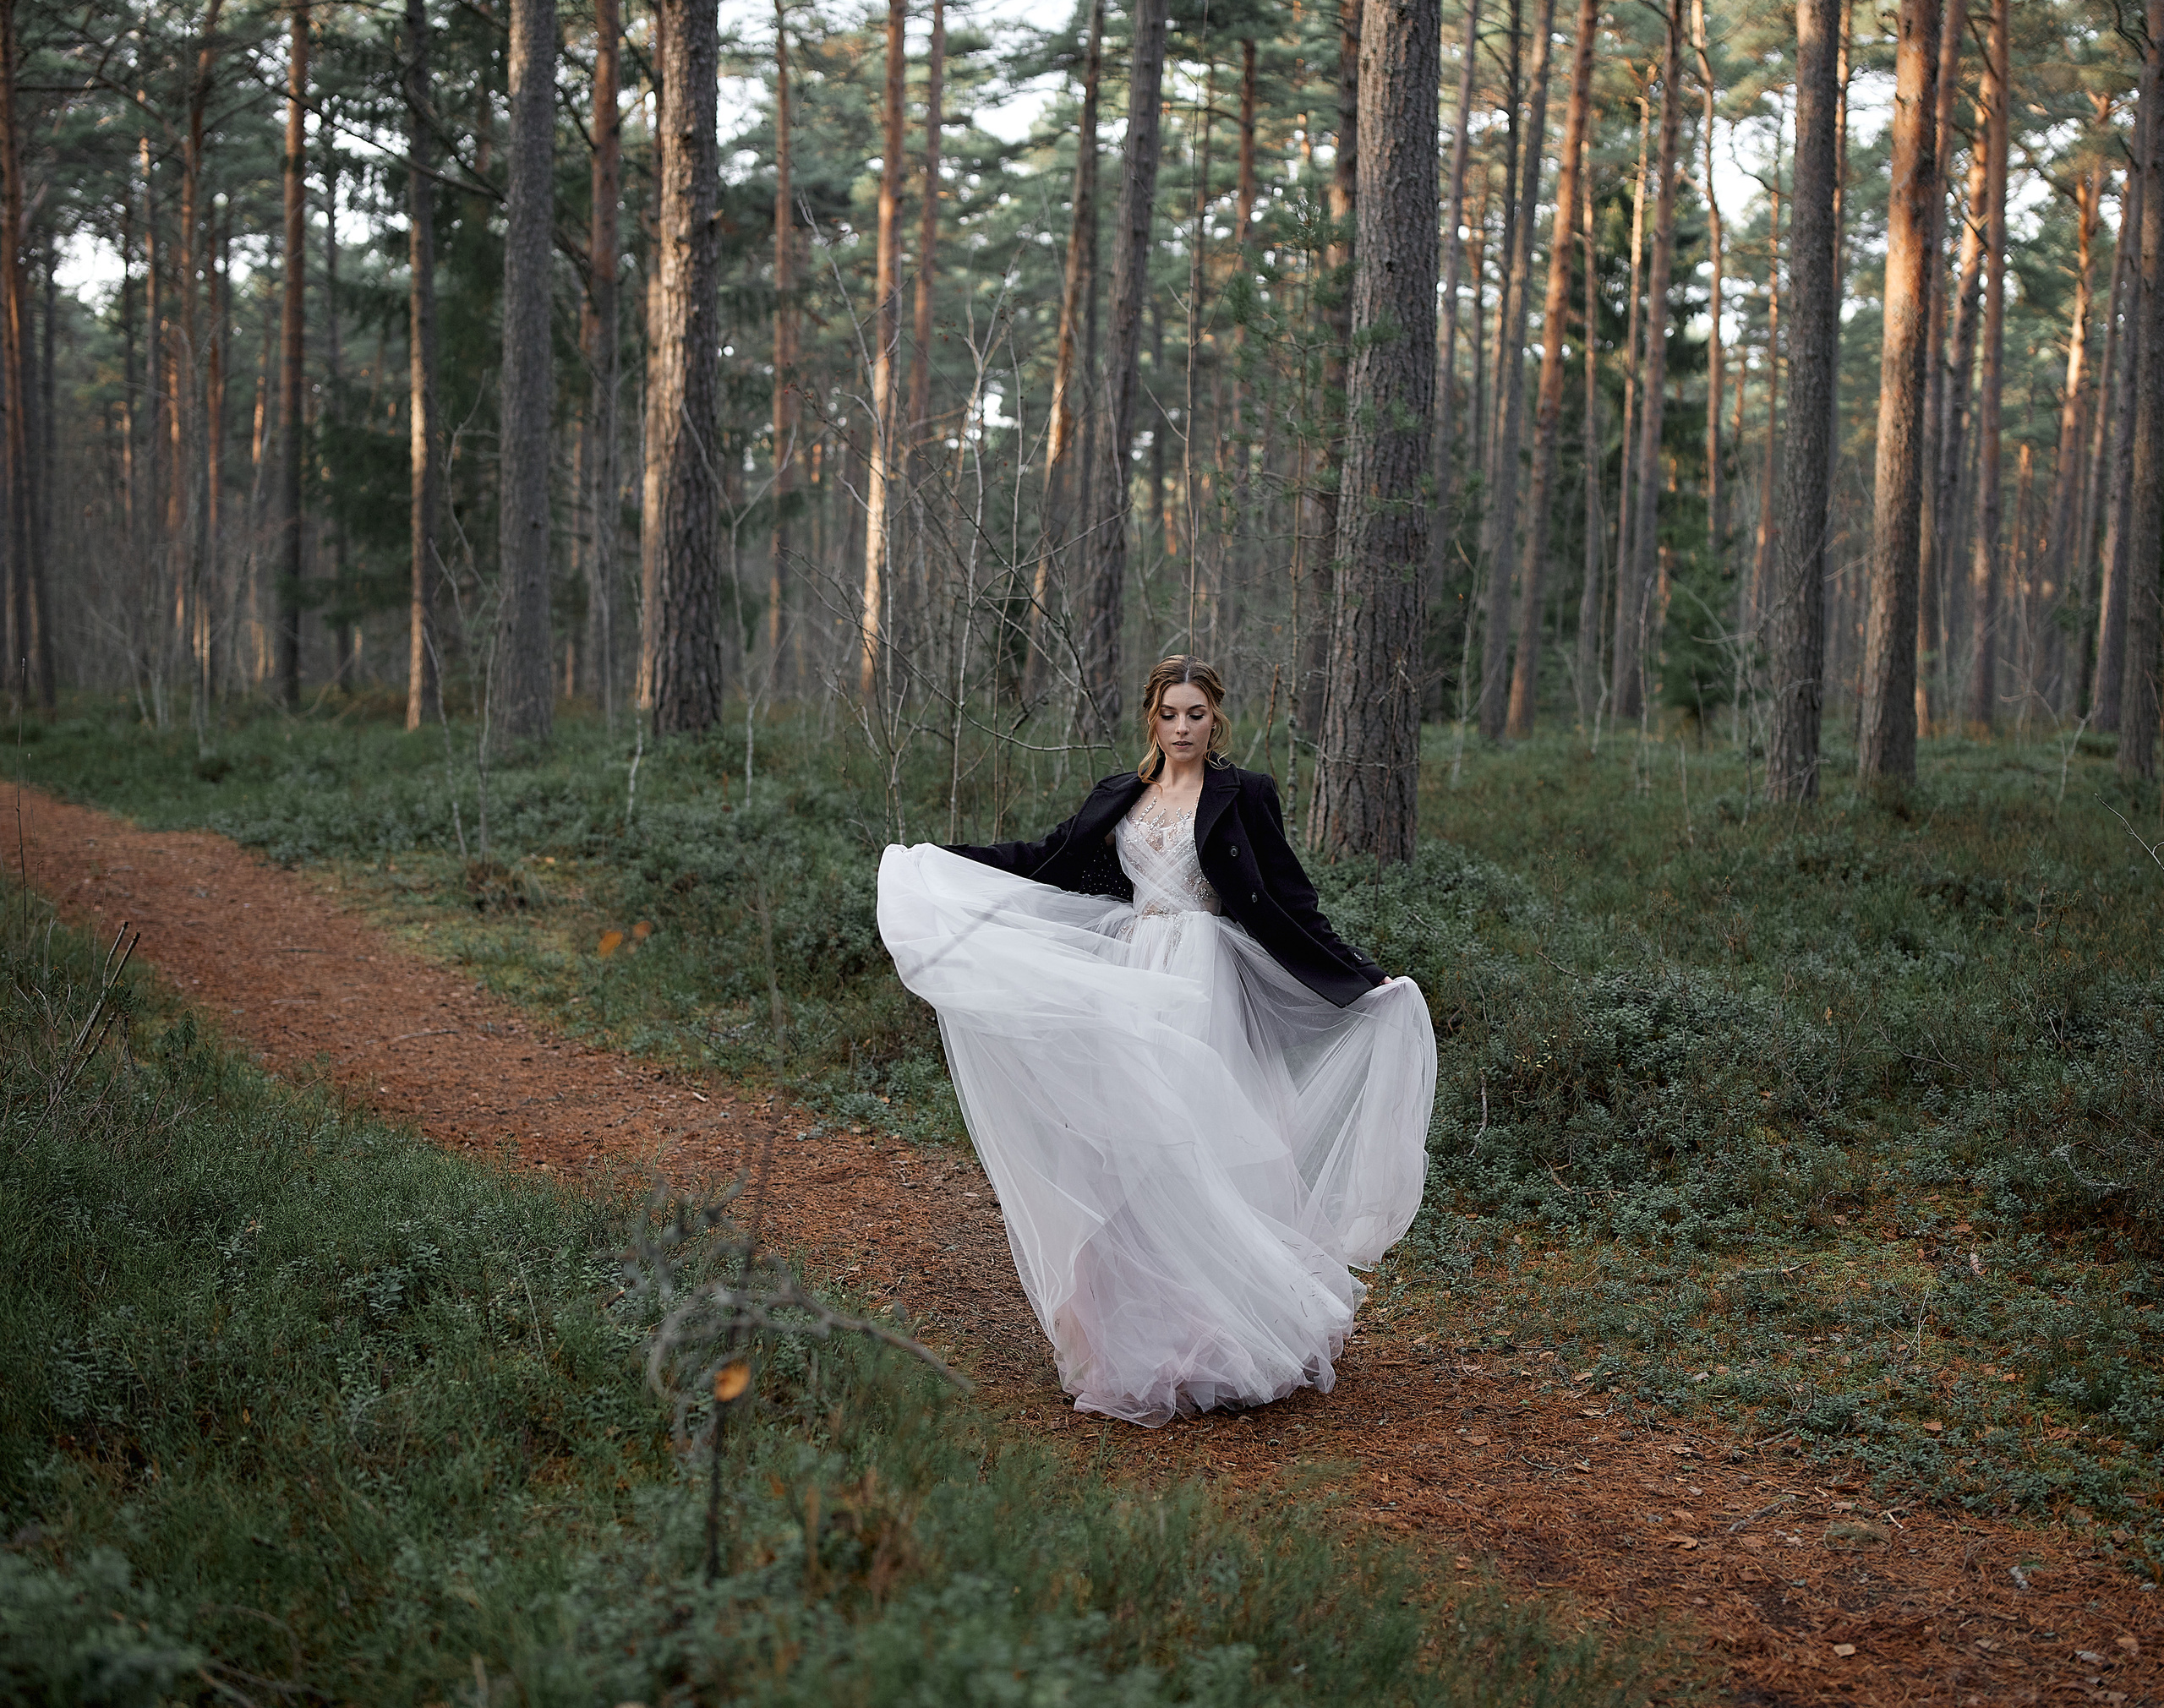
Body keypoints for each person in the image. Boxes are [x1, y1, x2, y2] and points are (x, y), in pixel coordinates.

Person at [877, 657, 1436, 1426]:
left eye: (1196, 715)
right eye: (1170, 714)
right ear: (1152, 719)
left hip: (1203, 986)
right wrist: (945, 862)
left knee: (1193, 1150)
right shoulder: (1121, 796)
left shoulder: (1244, 797)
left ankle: (1220, 1335)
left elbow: (1291, 902)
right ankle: (1137, 1344)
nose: (1182, 728)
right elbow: (1047, 860)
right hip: (1130, 978)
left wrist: (1361, 978)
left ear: (1216, 721)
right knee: (1125, 1159)